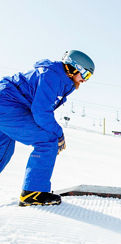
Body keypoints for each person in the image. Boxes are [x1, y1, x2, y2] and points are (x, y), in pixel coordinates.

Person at [0, 50, 95, 206]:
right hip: (8, 106)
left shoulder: (56, 76)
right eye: (85, 75)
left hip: (7, 105)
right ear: (74, 68)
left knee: (4, 148)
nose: (85, 80)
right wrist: (59, 134)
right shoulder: (53, 76)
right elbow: (41, 112)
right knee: (47, 141)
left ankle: (33, 192)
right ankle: (33, 193)